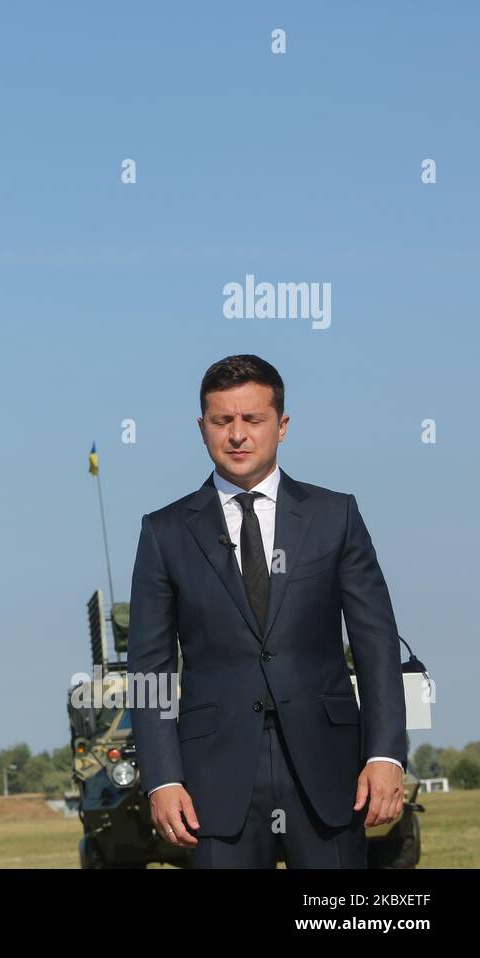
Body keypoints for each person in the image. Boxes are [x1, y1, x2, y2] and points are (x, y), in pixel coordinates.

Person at [127, 355, 407, 868]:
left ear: (281, 425)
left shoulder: (335, 516)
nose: (237, 435)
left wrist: (385, 754)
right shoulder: (163, 533)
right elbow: (150, 669)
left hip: (330, 769)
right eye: (222, 421)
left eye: (252, 420)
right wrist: (162, 778)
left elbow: (377, 644)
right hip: (213, 780)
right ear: (201, 427)